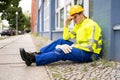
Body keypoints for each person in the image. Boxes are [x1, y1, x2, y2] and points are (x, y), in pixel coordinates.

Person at [20, 5, 102, 66]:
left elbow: (91, 47)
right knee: (60, 41)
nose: (74, 20)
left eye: (75, 17)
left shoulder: (92, 25)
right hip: (81, 48)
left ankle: (33, 59)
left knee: (63, 51)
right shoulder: (78, 26)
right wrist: (66, 24)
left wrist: (74, 46)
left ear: (82, 14)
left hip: (91, 54)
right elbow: (65, 37)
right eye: (72, 19)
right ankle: (37, 53)